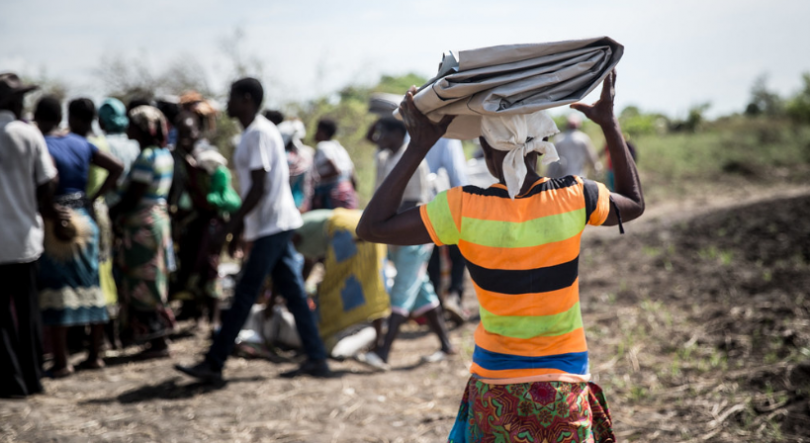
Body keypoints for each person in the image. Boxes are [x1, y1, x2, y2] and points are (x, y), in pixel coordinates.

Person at [356, 71, 643, 442]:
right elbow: (634, 202)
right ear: (540, 148)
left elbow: (372, 228)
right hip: (564, 383)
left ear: (488, 153)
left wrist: (420, 144)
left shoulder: (463, 207)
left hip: (496, 386)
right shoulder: (575, 196)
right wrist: (609, 122)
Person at [175, 77, 330, 382]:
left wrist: (230, 228)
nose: (227, 103)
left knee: (246, 291)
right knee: (294, 294)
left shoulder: (258, 133)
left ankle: (214, 361)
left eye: (232, 98)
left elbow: (258, 187)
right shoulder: (255, 133)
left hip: (272, 224)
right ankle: (316, 358)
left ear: (246, 99)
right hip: (275, 222)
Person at [355, 117, 456, 371]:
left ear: (399, 135)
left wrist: (384, 227)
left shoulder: (412, 162)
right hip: (393, 234)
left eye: (385, 133)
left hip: (410, 234)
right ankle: (446, 344)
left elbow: (413, 203)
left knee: (402, 287)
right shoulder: (384, 158)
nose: (381, 139)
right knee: (420, 288)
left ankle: (384, 352)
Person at [35, 97, 123, 377]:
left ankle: (62, 362)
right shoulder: (81, 143)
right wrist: (93, 197)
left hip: (57, 222)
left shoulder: (43, 144)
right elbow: (117, 167)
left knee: (57, 288)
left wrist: (48, 206)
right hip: (85, 219)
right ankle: (95, 355)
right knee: (91, 282)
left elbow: (48, 179)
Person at [0, 73, 58, 397]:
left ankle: (12, 381)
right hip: (25, 238)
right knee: (28, 309)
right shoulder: (29, 134)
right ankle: (34, 376)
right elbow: (47, 182)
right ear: (12, 101)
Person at [109, 105, 175, 358]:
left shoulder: (147, 157)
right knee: (153, 277)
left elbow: (133, 196)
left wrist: (113, 212)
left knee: (143, 279)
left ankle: (157, 339)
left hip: (142, 225)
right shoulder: (164, 154)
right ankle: (154, 336)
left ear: (143, 128)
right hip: (157, 220)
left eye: (133, 124)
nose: (128, 128)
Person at [170, 111, 240, 327]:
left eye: (190, 132)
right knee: (189, 267)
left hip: (208, 222)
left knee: (210, 269)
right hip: (186, 223)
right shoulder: (175, 157)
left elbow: (220, 193)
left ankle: (214, 318)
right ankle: (194, 312)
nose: (186, 137)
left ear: (198, 132)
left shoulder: (208, 158)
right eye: (182, 133)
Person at [293, 209, 390, 347]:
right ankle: (379, 342)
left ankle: (320, 339)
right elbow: (307, 266)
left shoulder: (291, 234)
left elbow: (284, 269)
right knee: (375, 284)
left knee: (332, 286)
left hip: (344, 230)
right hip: (367, 225)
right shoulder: (305, 230)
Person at [424, 137, 470, 324]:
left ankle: (436, 303)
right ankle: (453, 296)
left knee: (432, 259)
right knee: (458, 254)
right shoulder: (448, 136)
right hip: (447, 204)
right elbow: (456, 173)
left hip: (423, 206)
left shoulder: (411, 132)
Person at [311, 118, 358, 210]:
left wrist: (316, 179)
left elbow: (336, 170)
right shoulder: (339, 147)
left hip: (332, 192)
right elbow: (353, 175)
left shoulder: (322, 146)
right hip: (347, 190)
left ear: (322, 132)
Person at [546, 114, 602, 178]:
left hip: (562, 179)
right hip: (580, 178)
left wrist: (548, 177)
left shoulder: (559, 139)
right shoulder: (583, 139)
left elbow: (552, 161)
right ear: (578, 125)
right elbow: (592, 158)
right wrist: (597, 170)